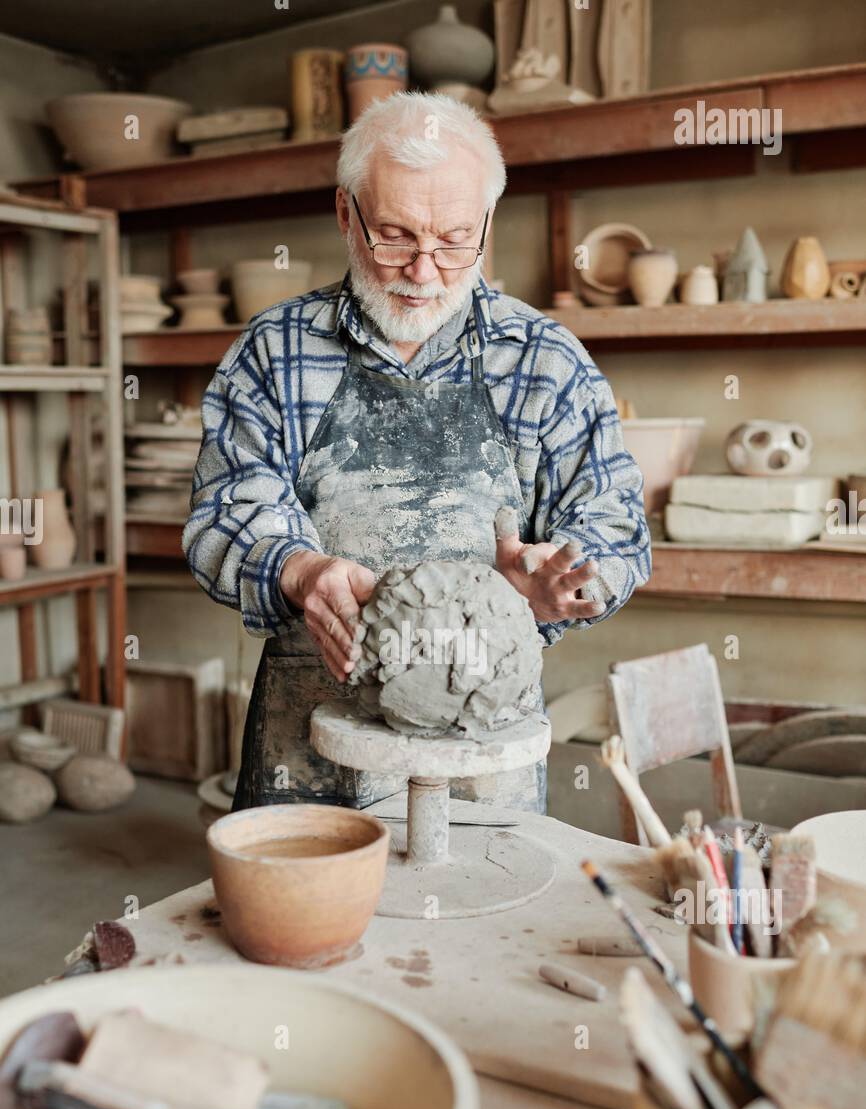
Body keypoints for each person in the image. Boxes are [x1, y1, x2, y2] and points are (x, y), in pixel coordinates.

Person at [183, 92, 650, 813]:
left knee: (482, 919)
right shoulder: (275, 351)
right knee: (301, 926)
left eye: (455, 239)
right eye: (395, 236)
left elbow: (616, 528)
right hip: (309, 743)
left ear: (488, 224)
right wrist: (299, 571)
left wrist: (562, 583)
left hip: (479, 735)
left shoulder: (545, 360)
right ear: (347, 214)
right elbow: (222, 513)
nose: (424, 271)